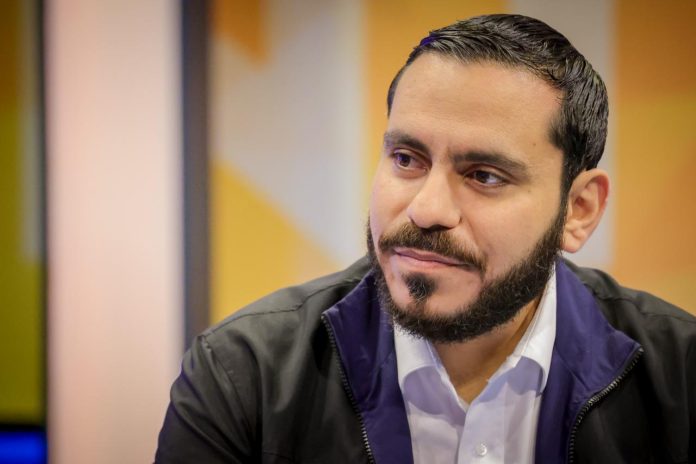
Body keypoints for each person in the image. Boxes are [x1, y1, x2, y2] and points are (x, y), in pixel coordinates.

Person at [156, 14, 695, 463]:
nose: (427, 209)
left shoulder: (682, 377)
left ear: (578, 210)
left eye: (485, 175)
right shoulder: (244, 375)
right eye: (407, 159)